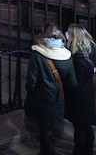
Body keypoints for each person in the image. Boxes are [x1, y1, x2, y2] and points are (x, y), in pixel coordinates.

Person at [23, 25, 76, 155]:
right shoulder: (66, 56)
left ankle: (47, 152)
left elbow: (31, 80)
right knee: (51, 127)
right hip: (58, 98)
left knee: (44, 130)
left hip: (42, 98)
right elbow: (72, 82)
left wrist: (30, 90)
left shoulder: (37, 55)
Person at [64, 25, 96, 155]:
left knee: (80, 128)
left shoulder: (78, 59)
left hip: (79, 98)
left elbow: (74, 82)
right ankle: (89, 151)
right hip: (88, 93)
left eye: (69, 35)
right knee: (87, 126)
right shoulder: (90, 51)